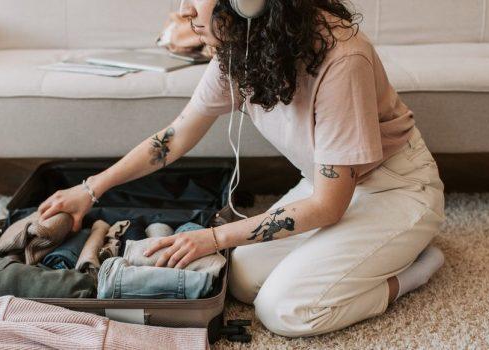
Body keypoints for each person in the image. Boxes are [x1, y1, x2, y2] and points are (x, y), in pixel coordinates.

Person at [38, 0, 445, 337]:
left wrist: (212, 237)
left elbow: (328, 207)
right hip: (327, 184)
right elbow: (174, 138)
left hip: (394, 190)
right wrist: (90, 189)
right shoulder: (241, 46)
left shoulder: (343, 57)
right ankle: (376, 254)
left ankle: (414, 269)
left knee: (284, 310)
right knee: (244, 279)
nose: (183, 11)